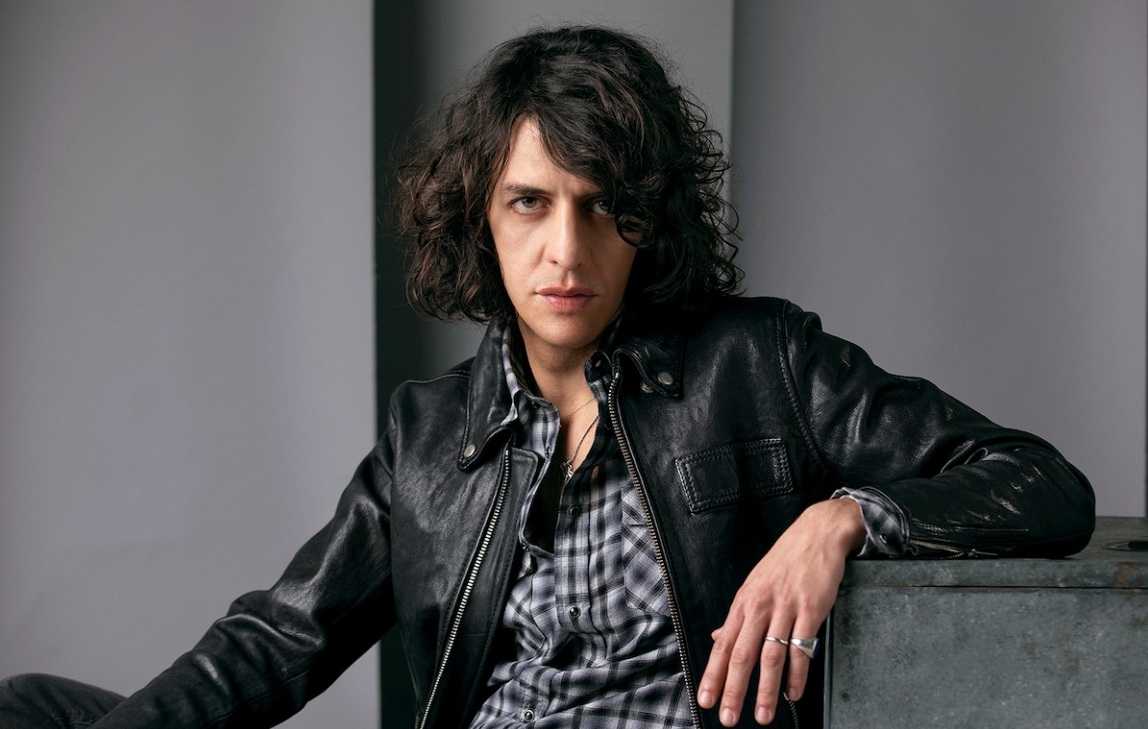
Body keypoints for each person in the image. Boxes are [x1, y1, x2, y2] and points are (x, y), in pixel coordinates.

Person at [0, 24, 1094, 729]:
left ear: (647, 219)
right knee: (34, 706)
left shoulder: (757, 363)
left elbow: (1040, 483)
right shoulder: (430, 435)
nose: (565, 251)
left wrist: (839, 520)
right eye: (529, 202)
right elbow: (279, 639)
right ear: (481, 216)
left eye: (600, 205)